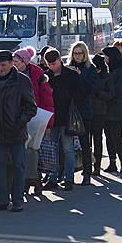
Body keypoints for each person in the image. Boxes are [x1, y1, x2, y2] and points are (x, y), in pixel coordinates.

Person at [0, 50, 37, 212]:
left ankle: (17, 199)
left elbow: (31, 107)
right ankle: (1, 200)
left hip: (16, 131)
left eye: (3, 65)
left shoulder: (22, 81)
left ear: (11, 63)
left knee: (18, 166)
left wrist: (19, 122)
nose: (0, 68)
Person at [44, 48, 79, 189]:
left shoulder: (71, 74)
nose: (52, 66)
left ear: (59, 59)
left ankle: (68, 178)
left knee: (67, 148)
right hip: (52, 117)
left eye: (53, 63)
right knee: (52, 149)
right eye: (49, 64)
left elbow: (80, 93)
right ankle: (52, 177)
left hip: (66, 117)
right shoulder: (46, 76)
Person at [66, 41, 97, 185]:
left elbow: (90, 90)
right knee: (68, 144)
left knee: (85, 143)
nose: (77, 56)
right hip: (69, 110)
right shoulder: (68, 68)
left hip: (84, 111)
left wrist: (79, 76)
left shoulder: (90, 69)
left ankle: (87, 172)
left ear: (85, 54)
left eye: (80, 53)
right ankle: (67, 174)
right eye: (75, 53)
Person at [102, 45, 122, 174]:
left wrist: (104, 94)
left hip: (118, 108)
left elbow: (117, 91)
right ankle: (112, 162)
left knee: (116, 135)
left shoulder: (121, 71)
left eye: (106, 56)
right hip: (107, 108)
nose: (104, 59)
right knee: (108, 136)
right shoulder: (108, 71)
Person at [13, 46, 54, 125]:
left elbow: (47, 100)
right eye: (12, 61)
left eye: (16, 61)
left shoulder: (38, 75)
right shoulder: (10, 75)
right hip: (15, 117)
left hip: (35, 117)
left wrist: (48, 123)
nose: (13, 64)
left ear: (24, 62)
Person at [90, 53, 112, 176]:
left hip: (100, 111)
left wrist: (98, 92)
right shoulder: (90, 75)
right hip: (88, 110)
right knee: (87, 141)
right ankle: (88, 165)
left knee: (97, 139)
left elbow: (110, 94)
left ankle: (97, 165)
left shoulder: (107, 77)